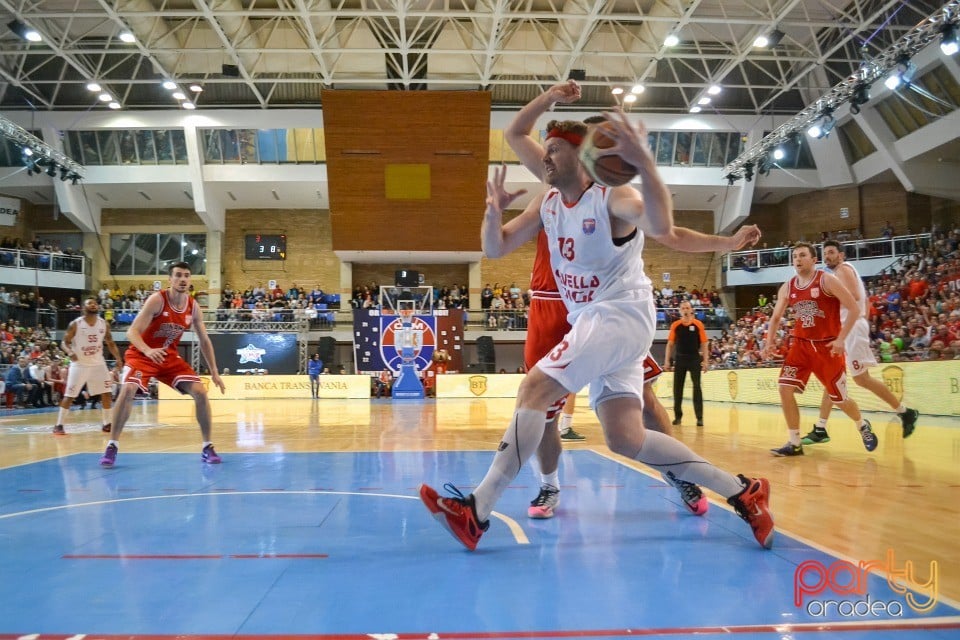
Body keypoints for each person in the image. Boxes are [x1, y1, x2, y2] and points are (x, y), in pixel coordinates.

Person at [418, 106, 774, 551]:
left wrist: (646, 165)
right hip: (597, 319)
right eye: (543, 150)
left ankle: (478, 509)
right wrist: (491, 215)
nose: (543, 159)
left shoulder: (613, 197)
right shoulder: (547, 202)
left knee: (533, 389)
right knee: (626, 438)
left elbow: (667, 229)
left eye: (552, 150)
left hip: (617, 313)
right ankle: (743, 491)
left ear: (580, 156)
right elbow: (496, 248)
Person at [501, 82, 762, 520]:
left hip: (606, 303)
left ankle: (680, 474)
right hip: (552, 304)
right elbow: (514, 135)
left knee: (641, 399)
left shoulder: (608, 195)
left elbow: (670, 232)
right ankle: (548, 486)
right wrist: (548, 96)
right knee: (540, 407)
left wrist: (727, 241)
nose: (553, 155)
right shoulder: (551, 176)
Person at [100, 261, 225, 467]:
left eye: (186, 275)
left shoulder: (193, 307)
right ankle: (112, 445)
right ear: (170, 279)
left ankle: (207, 446)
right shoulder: (157, 300)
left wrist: (215, 371)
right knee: (128, 388)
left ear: (190, 280)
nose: (182, 279)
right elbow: (132, 332)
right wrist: (148, 350)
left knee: (201, 392)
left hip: (168, 357)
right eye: (178, 275)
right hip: (142, 354)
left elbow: (204, 340)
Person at [763, 243, 878, 456]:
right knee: (784, 388)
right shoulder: (788, 287)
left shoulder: (827, 280)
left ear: (814, 259)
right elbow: (776, 317)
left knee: (840, 399)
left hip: (828, 347)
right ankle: (795, 442)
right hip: (801, 346)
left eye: (802, 255)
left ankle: (862, 425)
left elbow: (854, 307)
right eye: (795, 256)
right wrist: (769, 342)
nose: (797, 259)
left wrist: (842, 339)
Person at [803, 240, 919, 444]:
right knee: (833, 377)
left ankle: (905, 412)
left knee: (861, 379)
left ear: (841, 255)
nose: (827, 256)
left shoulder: (842, 270)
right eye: (825, 253)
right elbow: (863, 299)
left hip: (851, 329)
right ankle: (820, 428)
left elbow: (854, 295)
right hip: (850, 328)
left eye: (831, 252)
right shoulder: (844, 271)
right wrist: (861, 319)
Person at [53, 297, 123, 435]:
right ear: (83, 308)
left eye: (95, 303)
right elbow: (64, 342)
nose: (93, 305)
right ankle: (59, 425)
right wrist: (69, 351)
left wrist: (118, 358)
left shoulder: (104, 324)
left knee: (107, 393)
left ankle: (107, 423)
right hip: (79, 364)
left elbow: (110, 342)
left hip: (98, 363)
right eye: (89, 303)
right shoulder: (75, 324)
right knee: (70, 395)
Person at [665, 301, 708, 427]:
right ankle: (678, 417)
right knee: (677, 389)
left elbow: (705, 344)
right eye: (683, 308)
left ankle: (699, 418)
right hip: (680, 359)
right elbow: (670, 344)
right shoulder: (675, 325)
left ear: (691, 310)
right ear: (680, 311)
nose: (685, 310)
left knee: (697, 388)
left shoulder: (698, 324)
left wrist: (705, 361)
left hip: (694, 359)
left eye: (687, 308)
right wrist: (667, 360)